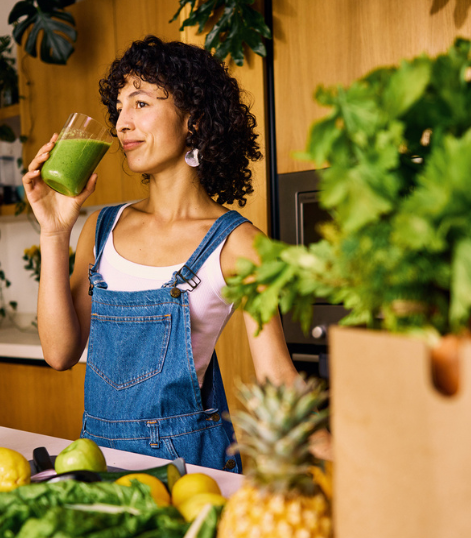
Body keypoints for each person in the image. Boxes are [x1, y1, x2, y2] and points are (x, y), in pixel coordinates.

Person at [22, 36, 298, 473]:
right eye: (119, 108)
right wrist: (55, 231)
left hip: (192, 472)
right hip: (97, 464)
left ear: (194, 119)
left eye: (141, 103)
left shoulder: (240, 245)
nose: (121, 124)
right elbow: (60, 354)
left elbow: (276, 379)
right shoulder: (100, 227)